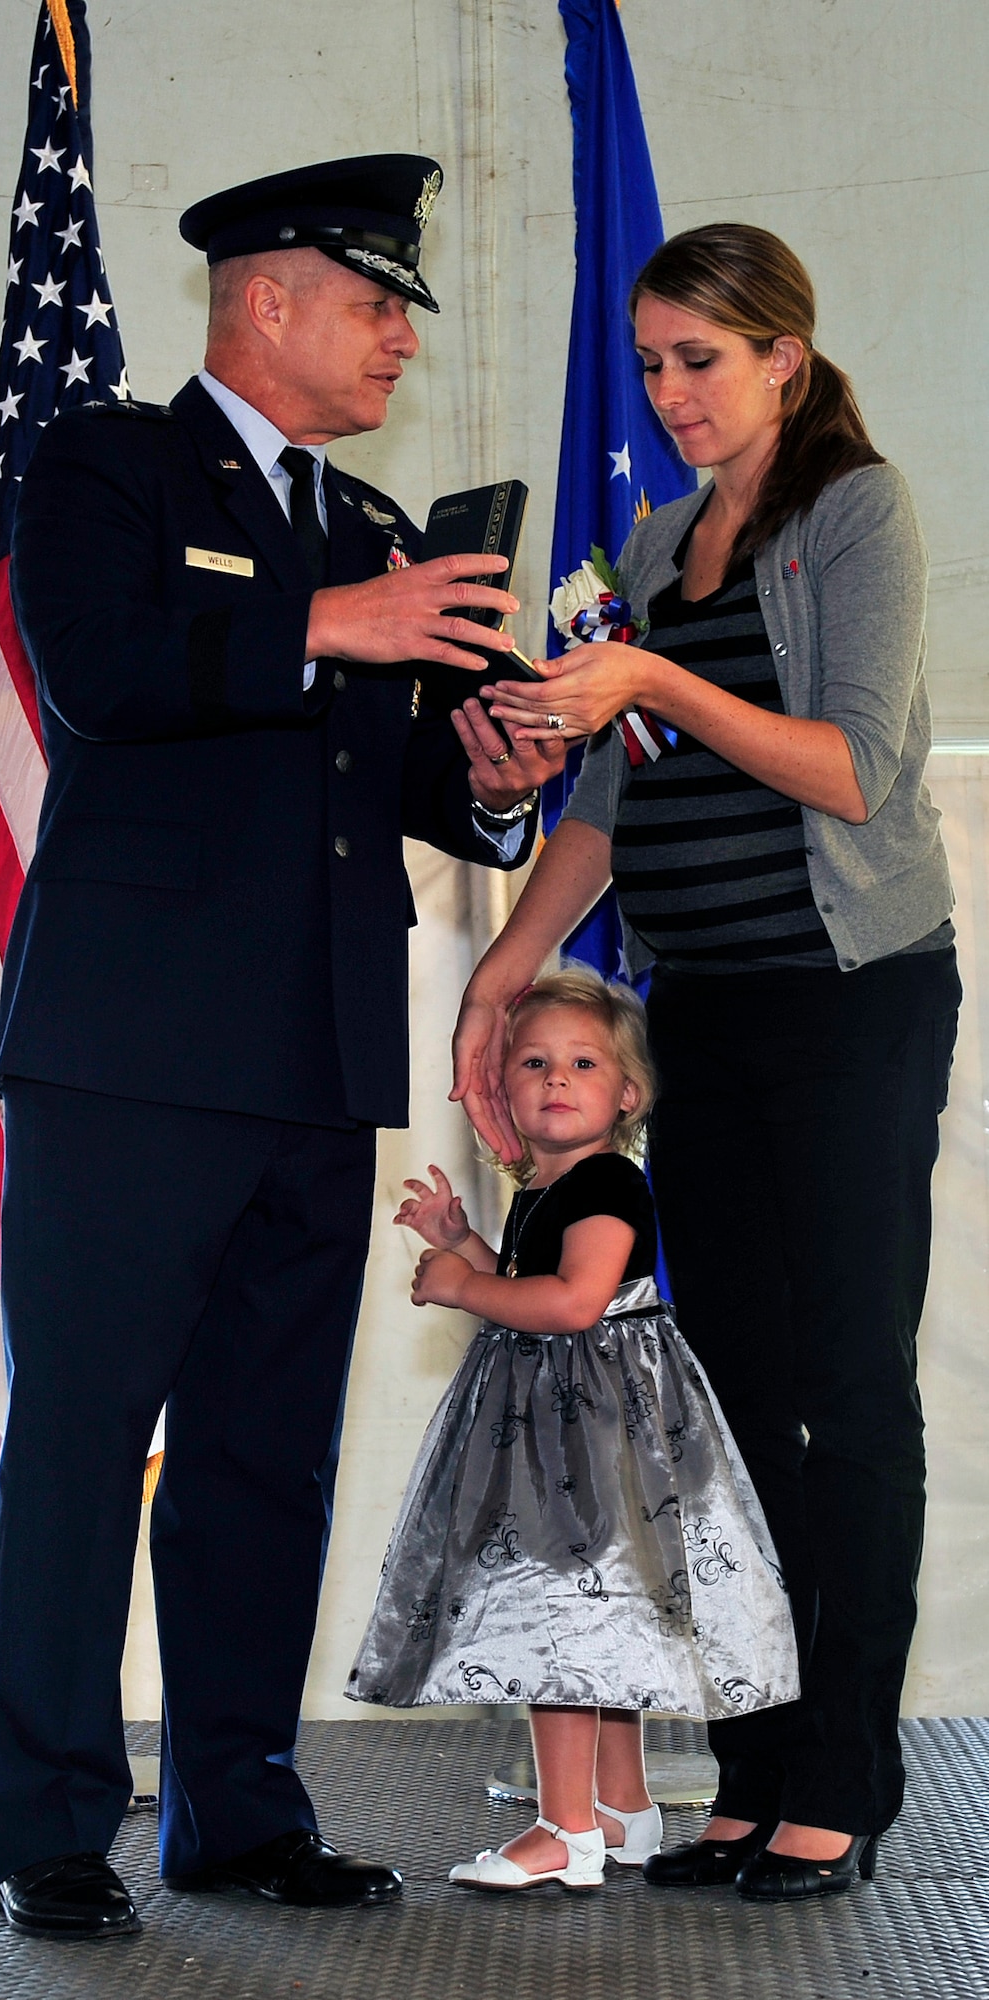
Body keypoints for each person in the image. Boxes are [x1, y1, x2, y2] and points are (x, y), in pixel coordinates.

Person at [0, 153, 567, 1940]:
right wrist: (325, 623)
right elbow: (100, 676)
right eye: (377, 300)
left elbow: (393, 778)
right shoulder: (106, 463)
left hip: (314, 1054)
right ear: (268, 299)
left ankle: (238, 1809)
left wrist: (485, 776)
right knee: (81, 1445)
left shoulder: (376, 530)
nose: (398, 338)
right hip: (134, 1055)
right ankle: (50, 1824)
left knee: (261, 1456)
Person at [454, 224, 960, 1902]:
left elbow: (854, 769)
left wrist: (655, 668)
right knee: (726, 1408)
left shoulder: (852, 513)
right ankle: (749, 1769)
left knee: (847, 1393)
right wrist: (509, 969)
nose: (669, 390)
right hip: (709, 1016)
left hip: (848, 1000)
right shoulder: (658, 541)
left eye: (701, 359)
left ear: (782, 364)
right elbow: (613, 797)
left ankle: (846, 1775)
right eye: (653, 359)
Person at [347, 970, 799, 1892]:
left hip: (587, 1434)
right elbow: (530, 1280)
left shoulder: (606, 1185)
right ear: (503, 1088)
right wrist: (466, 1242)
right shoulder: (553, 1187)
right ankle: (622, 1810)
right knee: (602, 1621)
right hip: (564, 1426)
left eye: (582, 1063)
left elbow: (575, 1301)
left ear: (626, 1094)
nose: (556, 1078)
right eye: (534, 1062)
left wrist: (465, 1286)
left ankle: (565, 1830)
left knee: (560, 1622)